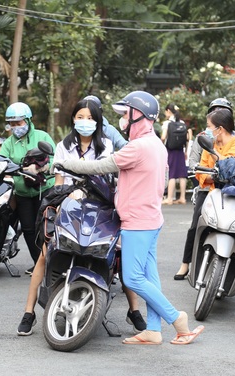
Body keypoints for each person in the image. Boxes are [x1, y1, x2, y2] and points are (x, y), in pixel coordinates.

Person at [55, 91, 204, 345]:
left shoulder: (139, 147)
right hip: (151, 217)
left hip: (138, 221)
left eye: (126, 114)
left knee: (132, 277)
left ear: (139, 116)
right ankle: (153, 331)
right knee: (149, 276)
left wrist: (66, 163)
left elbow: (100, 166)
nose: (123, 119)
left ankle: (177, 319)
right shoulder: (155, 143)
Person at [16, 98, 146, 335]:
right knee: (44, 256)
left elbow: (109, 179)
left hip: (101, 208)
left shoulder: (106, 146)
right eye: (80, 117)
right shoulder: (62, 146)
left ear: (98, 121)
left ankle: (134, 310)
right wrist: (67, 196)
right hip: (70, 207)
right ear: (73, 119)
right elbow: (58, 184)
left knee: (119, 256)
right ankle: (29, 312)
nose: (85, 122)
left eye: (90, 118)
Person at [174, 98, 235, 282]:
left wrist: (217, 165)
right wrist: (209, 173)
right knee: (197, 222)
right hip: (211, 189)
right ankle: (187, 263)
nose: (209, 127)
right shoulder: (207, 141)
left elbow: (231, 167)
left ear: (222, 124)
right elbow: (201, 171)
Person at [0, 102, 56, 275]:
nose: (16, 127)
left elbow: (54, 158)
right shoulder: (8, 143)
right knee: (28, 228)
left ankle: (53, 263)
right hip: (22, 192)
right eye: (13, 124)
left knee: (47, 228)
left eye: (20, 123)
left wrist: (42, 168)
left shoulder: (42, 136)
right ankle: (38, 263)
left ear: (28, 120)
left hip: (45, 189)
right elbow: (2, 162)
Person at [161, 103, 188, 205]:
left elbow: (163, 137)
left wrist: (161, 145)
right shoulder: (182, 122)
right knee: (182, 174)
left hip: (170, 150)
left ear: (168, 110)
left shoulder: (167, 123)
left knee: (172, 173)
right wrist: (186, 151)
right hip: (180, 150)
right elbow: (187, 138)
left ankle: (169, 198)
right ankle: (182, 198)